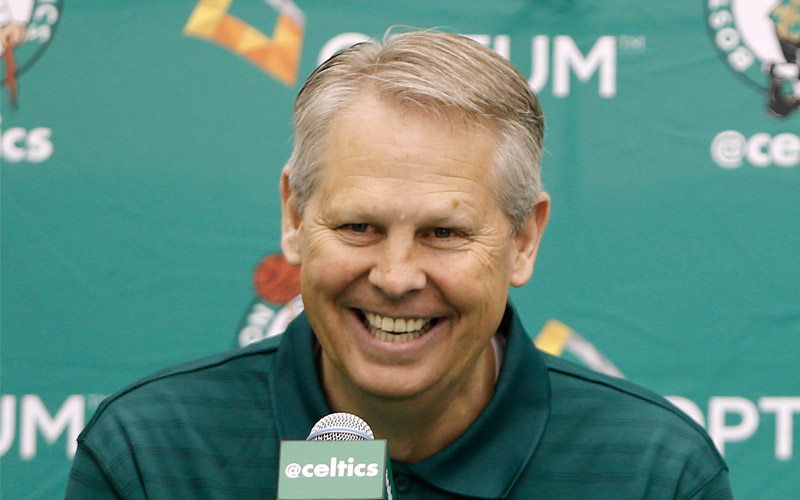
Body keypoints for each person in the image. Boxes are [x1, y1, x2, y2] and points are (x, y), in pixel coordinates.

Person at [65, 30, 732, 499]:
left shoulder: (655, 471)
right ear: (294, 218)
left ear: (523, 240)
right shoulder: (151, 454)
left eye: (443, 232)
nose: (395, 276)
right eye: (359, 227)